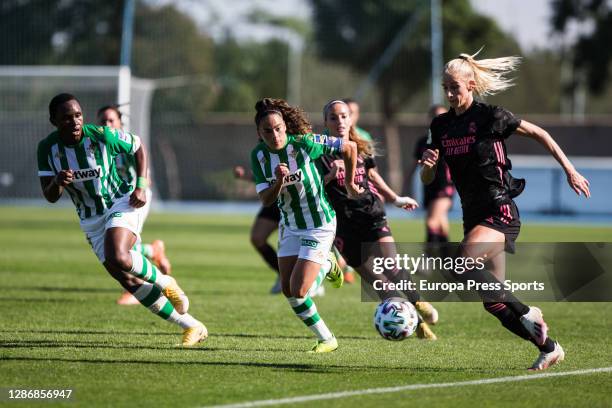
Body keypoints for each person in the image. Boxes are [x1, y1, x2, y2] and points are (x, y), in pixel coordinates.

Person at [420, 50, 591, 370]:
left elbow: (542, 134)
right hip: (472, 215)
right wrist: (427, 168)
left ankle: (528, 312)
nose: (450, 93)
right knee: (493, 303)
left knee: (461, 262)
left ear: (470, 84)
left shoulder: (491, 116)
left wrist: (570, 170)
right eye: (445, 87)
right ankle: (549, 347)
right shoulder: (440, 125)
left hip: (500, 209)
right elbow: (428, 175)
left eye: (454, 86)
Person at [38, 93, 207, 346]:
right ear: (53, 121)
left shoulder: (100, 135)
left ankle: (165, 281)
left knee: (119, 254)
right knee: (126, 279)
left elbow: (138, 146)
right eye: (66, 118)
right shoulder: (47, 149)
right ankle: (192, 326)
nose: (75, 122)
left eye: (78, 115)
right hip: (90, 218)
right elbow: (49, 195)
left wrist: (141, 184)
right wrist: (57, 182)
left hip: (120, 200)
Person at [320, 99, 439, 340]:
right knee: (378, 282)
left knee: (391, 266)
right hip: (343, 226)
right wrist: (328, 178)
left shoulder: (360, 145)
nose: (340, 121)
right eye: (334, 117)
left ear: (351, 118)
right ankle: (414, 324)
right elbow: (313, 189)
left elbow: (372, 175)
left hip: (371, 213)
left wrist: (395, 198)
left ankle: (418, 303)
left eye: (344, 116)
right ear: (326, 122)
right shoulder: (318, 151)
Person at [250, 97, 359, 353]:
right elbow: (266, 200)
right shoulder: (259, 157)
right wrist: (279, 181)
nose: (274, 135)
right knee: (290, 291)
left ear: (285, 127)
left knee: (300, 288)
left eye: (278, 128)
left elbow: (350, 147)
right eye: (267, 131)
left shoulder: (305, 144)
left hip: (319, 223)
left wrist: (350, 183)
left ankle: (328, 262)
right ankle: (326, 339)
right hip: (289, 225)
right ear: (259, 133)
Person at [97, 105, 172, 305]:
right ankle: (153, 251)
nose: (107, 124)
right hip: (115, 200)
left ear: (120, 123)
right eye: (103, 121)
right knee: (118, 246)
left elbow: (143, 167)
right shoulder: (96, 147)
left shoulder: (124, 144)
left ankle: (134, 289)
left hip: (134, 198)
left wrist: (142, 186)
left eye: (111, 120)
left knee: (122, 248)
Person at [409, 105, 455, 270]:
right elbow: (416, 165)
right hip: (428, 186)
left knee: (431, 221)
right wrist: (406, 185)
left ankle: (427, 261)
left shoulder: (452, 140)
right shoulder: (423, 142)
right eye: (435, 116)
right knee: (441, 223)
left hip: (445, 186)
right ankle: (449, 262)